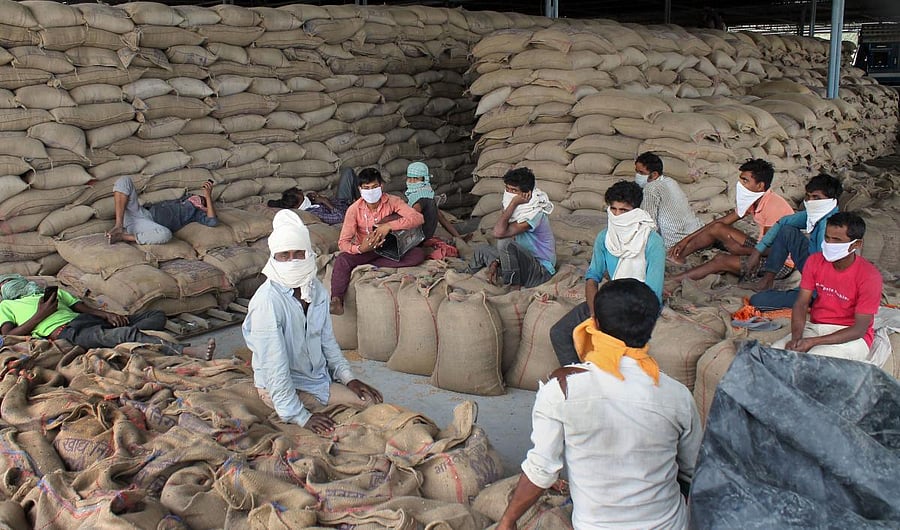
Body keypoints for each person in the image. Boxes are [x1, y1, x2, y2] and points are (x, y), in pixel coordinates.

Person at [497, 279, 701, 530]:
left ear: (596, 324)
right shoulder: (678, 396)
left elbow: (542, 470)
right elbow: (694, 470)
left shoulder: (561, 391)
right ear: (652, 326)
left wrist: (508, 520)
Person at [242, 210, 383, 435]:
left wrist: (348, 378)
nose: (292, 261)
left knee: (371, 402)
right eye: (284, 255)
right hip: (282, 385)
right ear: (274, 258)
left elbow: (327, 341)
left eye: (298, 254)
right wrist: (300, 416)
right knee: (355, 423)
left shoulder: (315, 290)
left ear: (308, 254)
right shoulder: (267, 302)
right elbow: (274, 367)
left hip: (316, 378)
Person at [550, 180, 665, 366]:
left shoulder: (652, 241)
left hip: (638, 305)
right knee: (559, 332)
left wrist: (629, 322)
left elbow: (654, 293)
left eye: (624, 211)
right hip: (608, 301)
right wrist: (595, 314)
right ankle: (580, 377)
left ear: (636, 211)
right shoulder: (605, 237)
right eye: (613, 209)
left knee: (617, 349)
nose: (617, 215)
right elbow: (592, 276)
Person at [0, 274, 214, 359]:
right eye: (2, 286)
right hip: (68, 332)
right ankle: (187, 350)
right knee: (124, 334)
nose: (6, 286)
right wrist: (41, 315)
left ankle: (120, 338)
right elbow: (10, 335)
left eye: (6, 281)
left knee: (155, 315)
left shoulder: (49, 293)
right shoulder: (6, 305)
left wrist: (108, 315)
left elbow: (86, 309)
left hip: (89, 321)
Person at [772, 212, 882, 361]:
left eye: (837, 240)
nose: (829, 244)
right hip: (816, 327)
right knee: (775, 353)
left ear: (856, 244)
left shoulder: (870, 276)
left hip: (851, 336)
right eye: (827, 238)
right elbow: (801, 303)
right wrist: (797, 338)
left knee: (812, 361)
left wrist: (812, 342)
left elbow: (859, 329)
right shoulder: (815, 261)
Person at [669, 159, 794, 283]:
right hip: (762, 248)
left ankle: (673, 280)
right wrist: (685, 240)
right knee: (717, 228)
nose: (740, 184)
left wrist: (740, 250)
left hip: (779, 262)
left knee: (721, 260)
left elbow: (771, 250)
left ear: (760, 186)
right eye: (741, 179)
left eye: (745, 181)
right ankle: (677, 257)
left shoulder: (773, 206)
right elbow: (721, 222)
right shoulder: (753, 200)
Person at [330, 168, 425, 315]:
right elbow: (343, 242)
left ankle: (372, 265)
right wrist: (360, 249)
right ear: (360, 190)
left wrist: (388, 226)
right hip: (366, 251)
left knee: (418, 254)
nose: (371, 191)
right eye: (366, 188)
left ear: (381, 186)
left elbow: (418, 218)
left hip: (391, 250)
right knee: (342, 259)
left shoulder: (393, 201)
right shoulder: (354, 209)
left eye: (374, 187)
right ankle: (336, 299)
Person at [746, 174, 843, 309]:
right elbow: (783, 222)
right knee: (787, 231)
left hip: (824, 287)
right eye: (808, 197)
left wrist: (806, 292)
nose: (810, 201)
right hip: (812, 268)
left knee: (757, 300)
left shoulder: (834, 227)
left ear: (832, 200)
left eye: (816, 198)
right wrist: (757, 251)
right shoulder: (815, 216)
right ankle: (768, 279)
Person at [469, 167, 556, 288]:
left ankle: (511, 286)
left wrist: (513, 203)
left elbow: (499, 233)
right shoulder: (518, 213)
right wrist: (497, 261)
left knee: (504, 243)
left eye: (514, 190)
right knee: (482, 250)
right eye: (507, 189)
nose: (509, 194)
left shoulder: (534, 214)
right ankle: (465, 277)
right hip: (522, 262)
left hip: (540, 271)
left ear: (527, 194)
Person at [106, 176, 218, 245]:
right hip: (139, 212)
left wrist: (207, 196)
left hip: (147, 225)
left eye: (201, 200)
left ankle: (122, 236)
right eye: (197, 196)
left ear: (204, 207)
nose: (197, 197)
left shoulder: (196, 213)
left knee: (166, 235)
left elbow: (212, 221)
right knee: (124, 180)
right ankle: (118, 225)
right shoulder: (182, 199)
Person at [634, 152, 703, 249]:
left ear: (654, 174)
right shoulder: (670, 181)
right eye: (636, 171)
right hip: (697, 236)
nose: (637, 175)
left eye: (641, 173)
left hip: (675, 244)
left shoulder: (651, 188)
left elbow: (649, 224)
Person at [267, 168, 360, 225]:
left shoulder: (310, 203)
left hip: (343, 201)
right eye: (300, 193)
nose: (302, 192)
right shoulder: (314, 213)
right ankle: (364, 205)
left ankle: (362, 200)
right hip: (349, 210)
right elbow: (341, 218)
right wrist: (325, 202)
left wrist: (317, 198)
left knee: (348, 172)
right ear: (297, 204)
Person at [404, 161, 465, 240]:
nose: (411, 182)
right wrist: (459, 237)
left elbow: (410, 220)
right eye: (409, 178)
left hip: (418, 240)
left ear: (425, 179)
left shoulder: (420, 199)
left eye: (416, 179)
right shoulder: (428, 196)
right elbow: (442, 218)